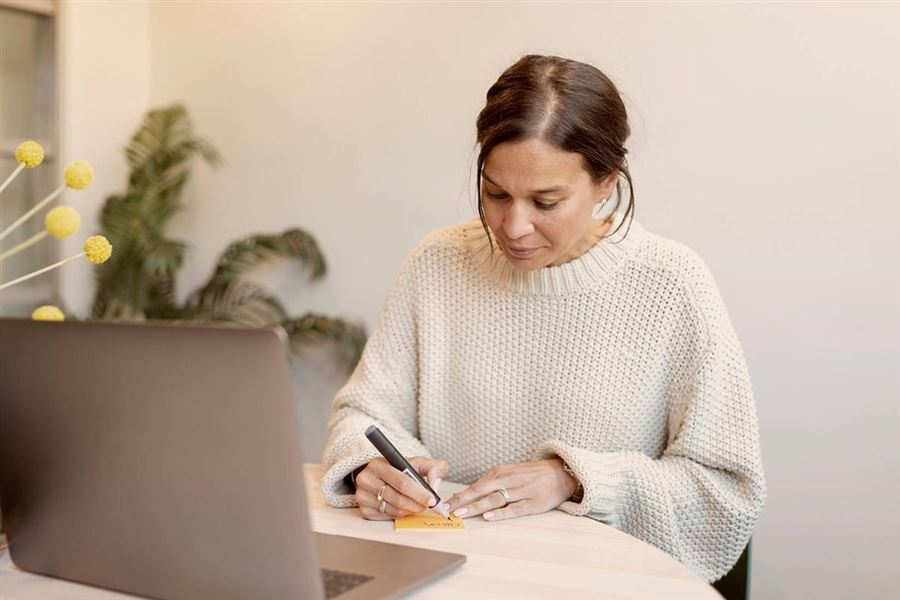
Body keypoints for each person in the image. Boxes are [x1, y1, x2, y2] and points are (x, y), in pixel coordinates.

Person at [320, 54, 766, 583]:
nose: (514, 226)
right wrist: (372, 470)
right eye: (496, 194)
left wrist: (574, 480)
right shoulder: (436, 264)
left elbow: (725, 489)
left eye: (546, 201)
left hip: (602, 586)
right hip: (448, 579)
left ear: (606, 184)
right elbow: (363, 413)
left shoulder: (672, 285)